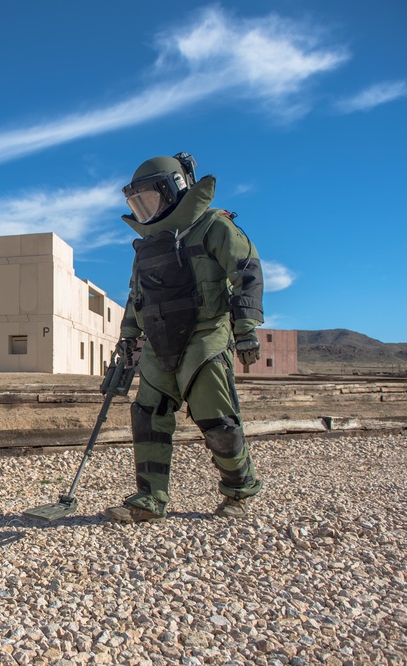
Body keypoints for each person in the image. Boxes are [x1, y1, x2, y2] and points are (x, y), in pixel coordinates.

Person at [104, 152, 264, 522]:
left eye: (150, 198)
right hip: (159, 341)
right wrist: (128, 338)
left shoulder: (214, 227)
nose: (145, 209)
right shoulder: (147, 246)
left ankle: (238, 492)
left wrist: (245, 329)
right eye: (137, 203)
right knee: (148, 417)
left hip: (206, 334)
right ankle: (150, 499)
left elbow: (247, 272)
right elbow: (136, 297)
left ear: (174, 189)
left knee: (217, 421)